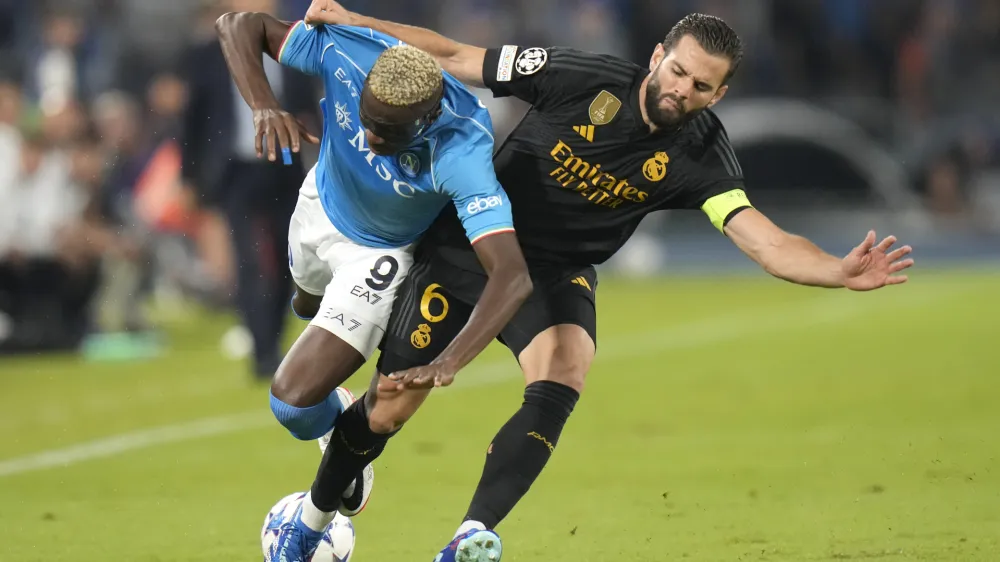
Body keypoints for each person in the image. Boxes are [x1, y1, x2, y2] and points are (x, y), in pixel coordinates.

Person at [302, 5, 917, 562]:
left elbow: (765, 240)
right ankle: (312, 520)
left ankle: (469, 537)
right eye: (677, 71)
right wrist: (355, 19)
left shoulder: (702, 156)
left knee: (566, 365)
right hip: (477, 250)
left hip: (558, 272)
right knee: (385, 413)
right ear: (657, 56)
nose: (682, 90)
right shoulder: (580, 77)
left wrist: (837, 270)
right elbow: (456, 57)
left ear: (719, 93)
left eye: (702, 85)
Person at [214, 9, 533, 562]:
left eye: (389, 133)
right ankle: (340, 427)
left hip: (378, 256)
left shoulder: (463, 148)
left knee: (290, 402)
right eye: (366, 120)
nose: (369, 136)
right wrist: (264, 103)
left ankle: (343, 448)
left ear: (429, 118)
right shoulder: (350, 53)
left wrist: (452, 358)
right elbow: (237, 25)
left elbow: (510, 272)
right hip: (317, 204)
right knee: (302, 301)